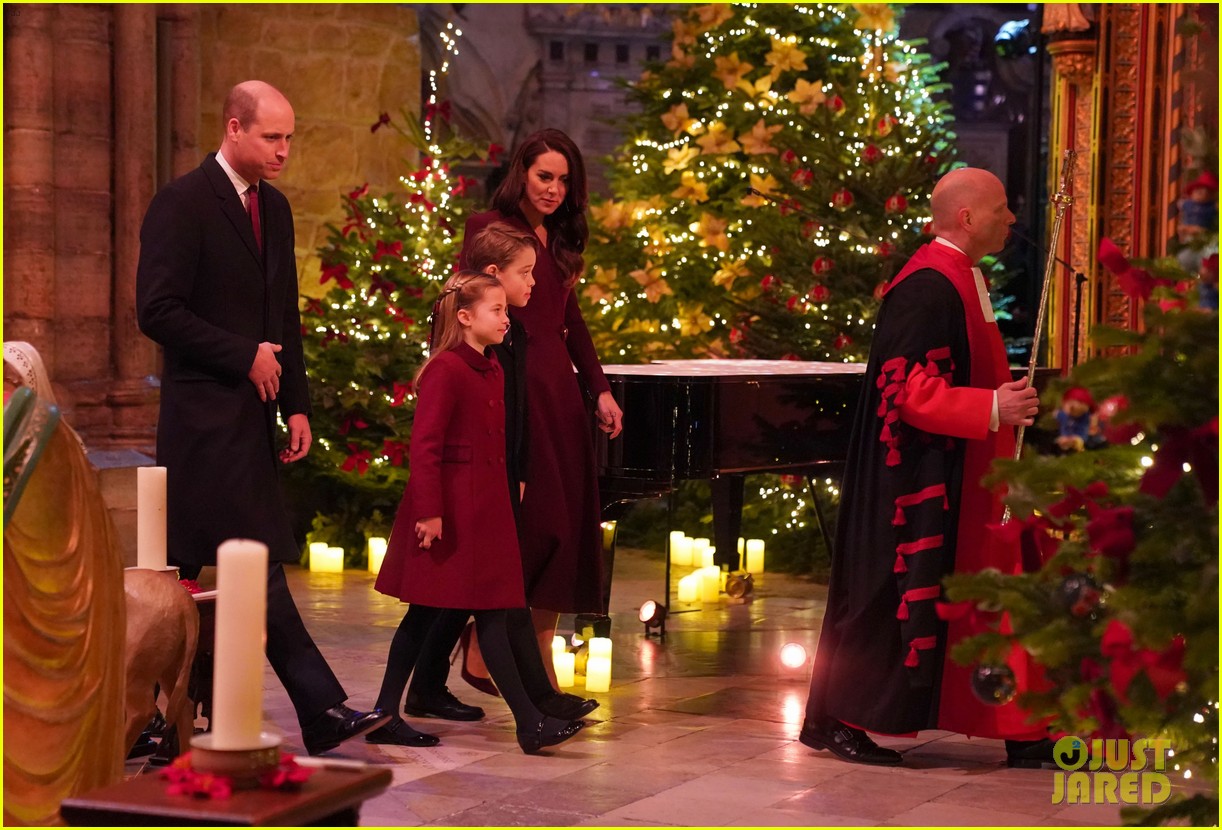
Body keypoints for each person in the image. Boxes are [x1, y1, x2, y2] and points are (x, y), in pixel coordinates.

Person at [136, 80, 388, 756]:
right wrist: (243, 355)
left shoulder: (273, 209)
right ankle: (322, 706)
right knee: (251, 562)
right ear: (235, 128)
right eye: (272, 137)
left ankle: (165, 724)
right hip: (201, 421)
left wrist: (299, 404)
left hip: (252, 419)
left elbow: (285, 318)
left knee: (199, 575)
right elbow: (155, 310)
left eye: (289, 138)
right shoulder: (182, 203)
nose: (283, 151)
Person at [798, 167, 1050, 768]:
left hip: (967, 471)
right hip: (913, 483)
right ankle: (840, 717)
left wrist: (1000, 401)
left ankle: (1022, 727)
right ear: (966, 218)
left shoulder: (962, 276)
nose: (1011, 220)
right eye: (1001, 209)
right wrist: (992, 405)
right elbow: (904, 390)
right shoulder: (926, 286)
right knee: (888, 598)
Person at [373, 224, 597, 737]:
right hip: (450, 512)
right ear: (467, 316)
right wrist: (430, 511)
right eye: (497, 310)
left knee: (488, 611)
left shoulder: (490, 365)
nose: (508, 316)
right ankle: (396, 713)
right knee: (432, 617)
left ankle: (529, 718)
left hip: (480, 508)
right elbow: (427, 447)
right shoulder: (446, 370)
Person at [456, 129, 623, 688]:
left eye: (563, 179)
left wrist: (598, 387)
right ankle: (489, 650)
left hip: (558, 391)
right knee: (528, 522)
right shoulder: (489, 229)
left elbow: (570, 320)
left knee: (565, 524)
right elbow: (467, 305)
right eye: (543, 176)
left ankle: (530, 656)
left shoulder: (564, 236)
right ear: (521, 173)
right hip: (512, 382)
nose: (553, 189)